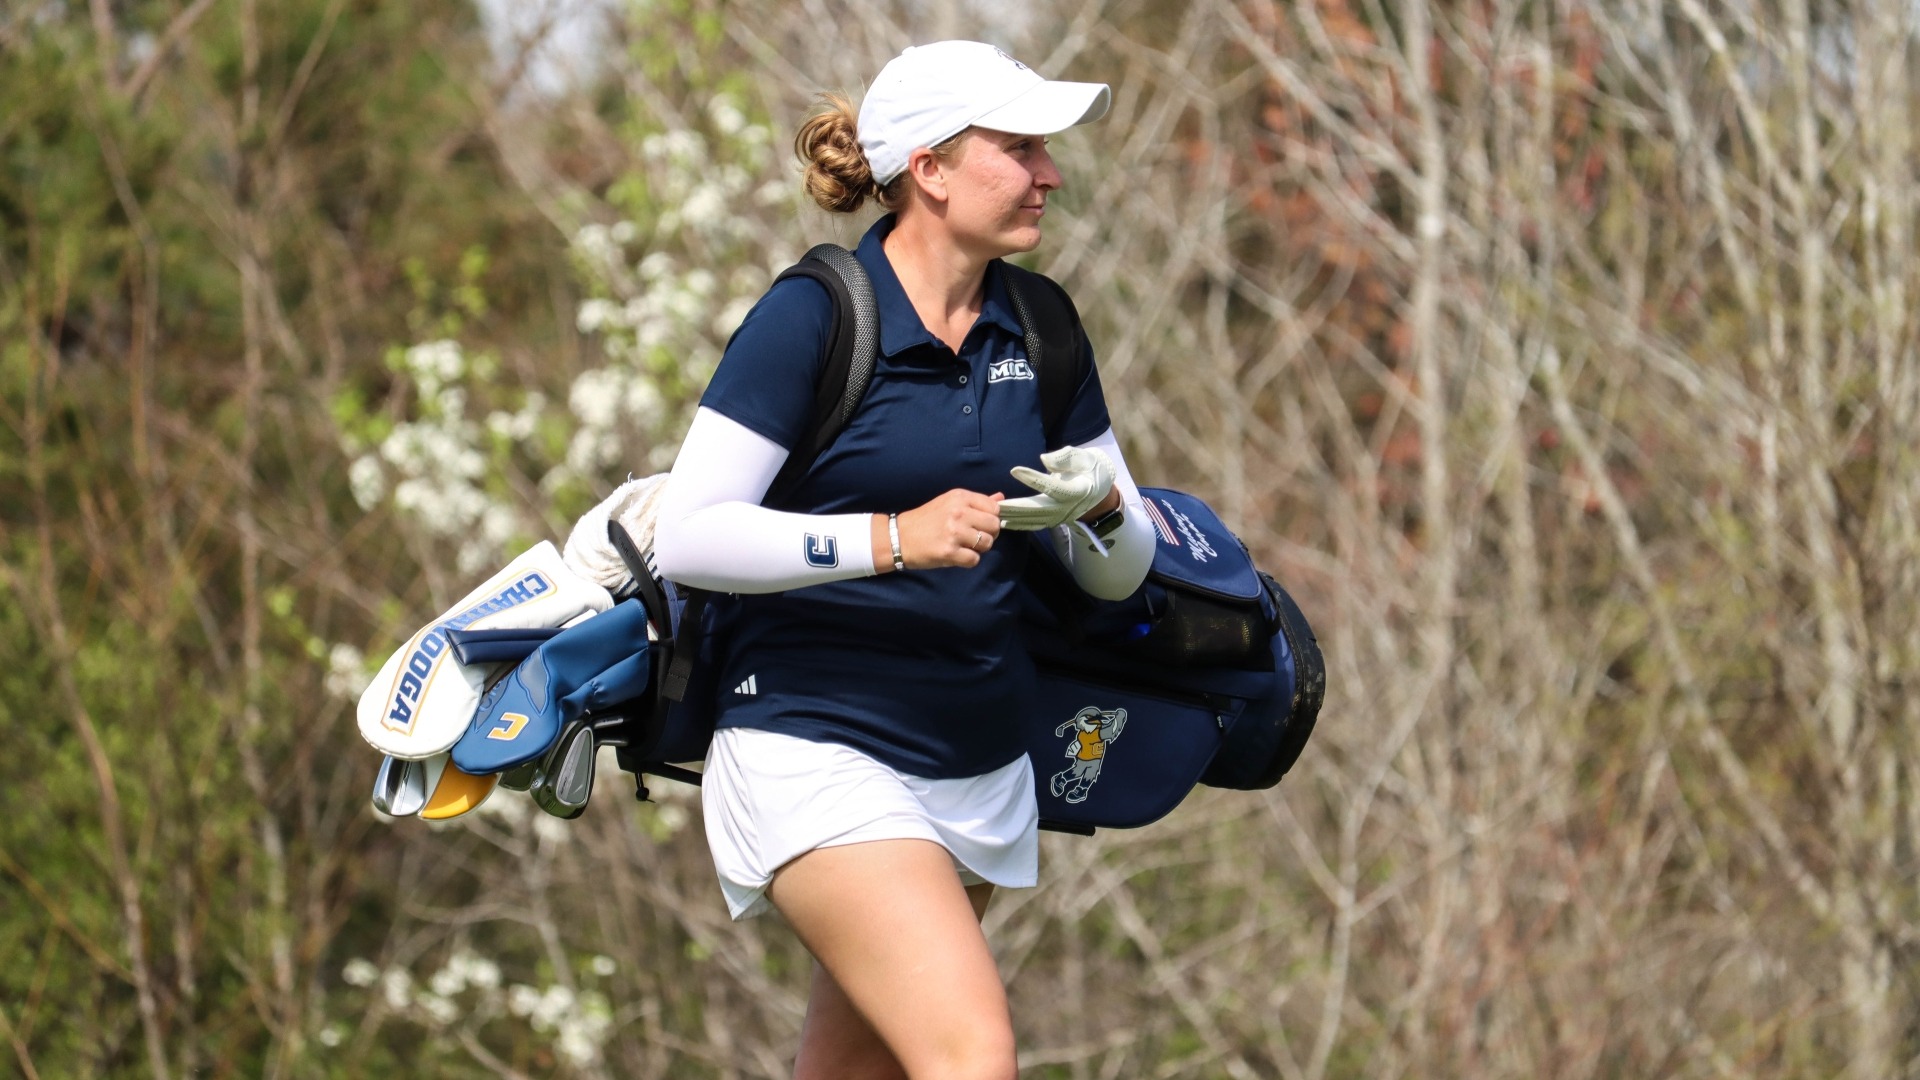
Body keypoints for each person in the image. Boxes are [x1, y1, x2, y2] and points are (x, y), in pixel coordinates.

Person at [651, 39, 1156, 1080]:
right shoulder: (814, 317)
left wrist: (1103, 509)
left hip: (976, 762)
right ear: (928, 168)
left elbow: (1119, 571)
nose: (1049, 174)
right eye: (1019, 148)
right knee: (971, 1055)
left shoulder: (1044, 326)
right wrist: (891, 539)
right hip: (815, 745)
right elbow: (689, 533)